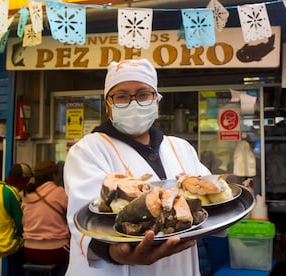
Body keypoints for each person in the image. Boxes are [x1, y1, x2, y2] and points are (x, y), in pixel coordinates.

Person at [63, 59, 211, 275]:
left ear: (156, 102)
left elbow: (213, 205)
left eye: (143, 94)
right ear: (108, 106)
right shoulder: (88, 149)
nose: (133, 103)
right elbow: (84, 220)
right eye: (122, 96)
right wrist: (114, 252)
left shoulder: (181, 148)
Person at [21, 160, 70, 273]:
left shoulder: (26, 194)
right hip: (55, 251)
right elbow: (72, 217)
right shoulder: (59, 193)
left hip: (29, 251)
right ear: (54, 175)